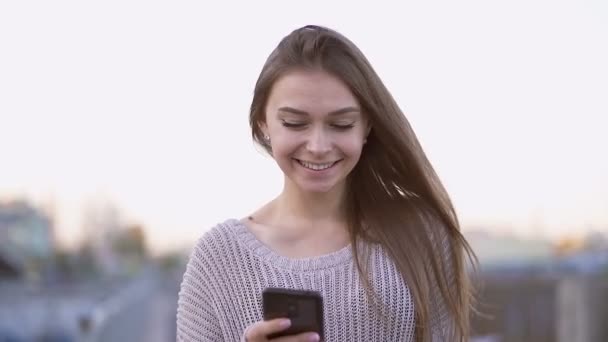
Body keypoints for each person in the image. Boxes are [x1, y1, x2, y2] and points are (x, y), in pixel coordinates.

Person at [176, 24, 477, 342]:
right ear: (263, 123)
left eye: (341, 124)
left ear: (366, 126)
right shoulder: (219, 259)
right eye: (295, 122)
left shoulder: (421, 235)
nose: (318, 145)